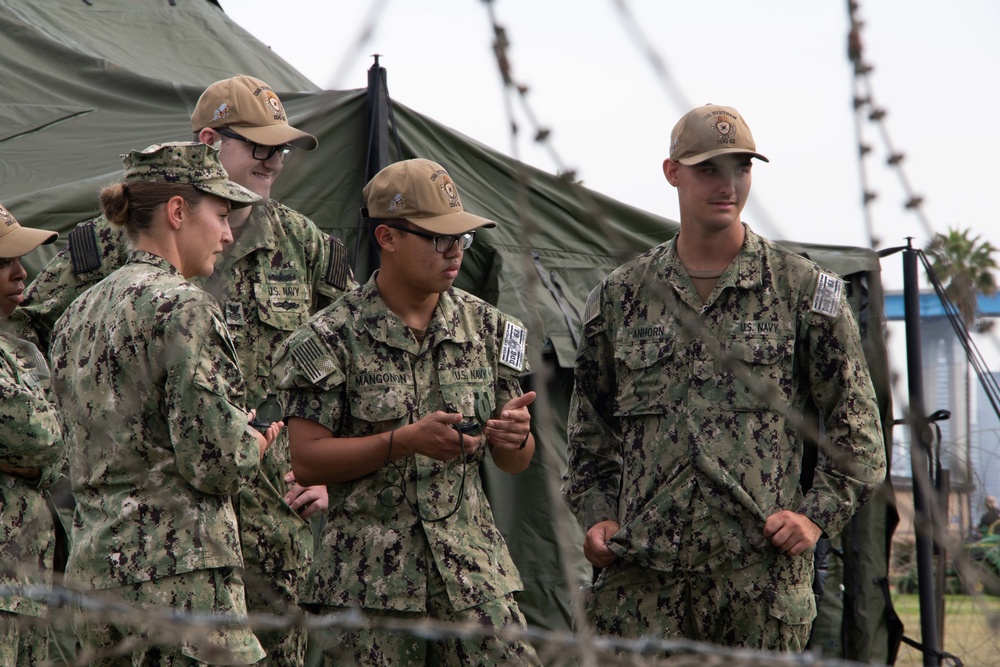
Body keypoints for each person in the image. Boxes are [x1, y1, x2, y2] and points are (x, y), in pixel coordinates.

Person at [22, 74, 359, 665]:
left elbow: (353, 353)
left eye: (282, 149)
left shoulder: (301, 244)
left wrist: (326, 465)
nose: (275, 162)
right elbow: (27, 330)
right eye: (260, 146)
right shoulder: (115, 242)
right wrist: (46, 437)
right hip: (161, 528)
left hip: (269, 522)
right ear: (209, 141)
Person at [563, 104, 887, 652]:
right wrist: (596, 518)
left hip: (756, 590)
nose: (729, 184)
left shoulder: (804, 292)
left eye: (741, 168)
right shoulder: (621, 297)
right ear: (673, 173)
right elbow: (589, 436)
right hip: (644, 590)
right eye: (710, 168)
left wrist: (813, 517)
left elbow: (859, 434)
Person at [271, 158, 540, 665]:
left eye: (463, 239)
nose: (455, 252)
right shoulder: (328, 338)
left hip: (473, 580)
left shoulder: (492, 331)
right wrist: (403, 442)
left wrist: (516, 437)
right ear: (388, 238)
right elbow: (306, 460)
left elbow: (515, 462)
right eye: (440, 239)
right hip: (368, 592)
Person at [48, 142, 280, 664]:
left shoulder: (75, 315)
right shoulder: (185, 307)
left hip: (96, 581)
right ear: (178, 212)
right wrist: (253, 439)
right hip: (181, 586)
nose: (226, 233)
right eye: (220, 214)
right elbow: (216, 461)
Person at [0, 204, 62, 667]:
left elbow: (60, 452)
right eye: (4, 262)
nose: (21, 273)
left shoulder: (15, 349)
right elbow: (41, 436)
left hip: (24, 588)